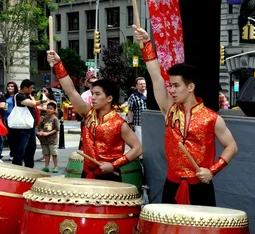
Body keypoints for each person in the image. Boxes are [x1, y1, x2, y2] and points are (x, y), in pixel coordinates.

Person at [132, 25, 238, 206]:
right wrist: (146, 43)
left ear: (190, 87)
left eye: (176, 86)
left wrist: (212, 171)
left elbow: (232, 146)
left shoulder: (211, 118)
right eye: (170, 86)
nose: (171, 90)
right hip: (172, 185)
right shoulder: (169, 109)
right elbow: (155, 76)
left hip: (200, 187)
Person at [47, 50, 142, 181]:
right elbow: (71, 91)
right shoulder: (87, 113)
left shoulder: (120, 123)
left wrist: (114, 165)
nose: (93, 97)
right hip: (87, 174)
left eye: (98, 94)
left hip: (110, 177)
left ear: (109, 98)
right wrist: (58, 63)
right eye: (93, 94)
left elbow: (137, 148)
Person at [10, 80, 39, 167]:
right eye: (31, 88)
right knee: (21, 148)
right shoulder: (19, 96)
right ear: (25, 87)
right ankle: (17, 167)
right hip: (22, 127)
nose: (32, 90)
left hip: (30, 126)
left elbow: (34, 104)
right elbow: (32, 104)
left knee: (31, 148)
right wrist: (34, 99)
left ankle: (29, 167)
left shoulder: (26, 96)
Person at [37, 101, 60, 173]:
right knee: (46, 154)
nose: (49, 110)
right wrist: (41, 132)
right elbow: (40, 126)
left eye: (51, 109)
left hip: (52, 140)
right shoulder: (44, 118)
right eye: (48, 108)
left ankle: (56, 166)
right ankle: (46, 166)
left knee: (54, 154)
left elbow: (57, 129)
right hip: (44, 140)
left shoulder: (54, 119)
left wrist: (48, 133)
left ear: (54, 110)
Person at [127, 77, 147, 144]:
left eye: (144, 83)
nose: (143, 85)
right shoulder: (133, 96)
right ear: (137, 86)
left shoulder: (150, 95)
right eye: (141, 84)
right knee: (140, 143)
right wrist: (130, 122)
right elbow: (130, 110)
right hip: (139, 124)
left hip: (150, 123)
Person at [3, 81, 18, 161]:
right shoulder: (5, 96)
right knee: (10, 137)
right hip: (6, 119)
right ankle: (12, 153)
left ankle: (16, 153)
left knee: (16, 137)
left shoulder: (17, 96)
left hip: (15, 119)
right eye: (8, 86)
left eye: (12, 86)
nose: (10, 87)